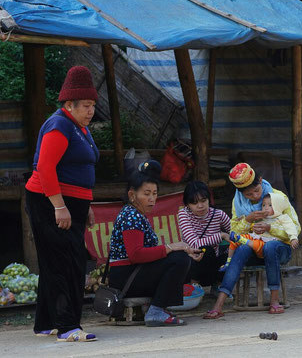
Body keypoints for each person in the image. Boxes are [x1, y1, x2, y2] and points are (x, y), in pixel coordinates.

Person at [25, 66, 100, 342]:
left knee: (56, 261)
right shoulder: (59, 125)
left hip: (71, 202)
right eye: (86, 105)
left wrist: (86, 204)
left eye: (93, 105)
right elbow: (45, 167)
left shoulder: (79, 127)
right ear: (70, 104)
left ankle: (46, 322)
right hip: (48, 202)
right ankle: (68, 325)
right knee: (64, 262)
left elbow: (80, 169)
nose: (91, 111)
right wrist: (59, 206)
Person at [108, 160, 202, 326]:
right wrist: (171, 248)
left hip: (130, 274)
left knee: (183, 258)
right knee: (179, 259)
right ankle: (156, 311)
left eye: (154, 193)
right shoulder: (132, 216)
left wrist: (176, 249)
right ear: (132, 195)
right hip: (126, 278)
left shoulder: (136, 214)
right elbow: (136, 254)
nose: (152, 199)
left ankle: (157, 308)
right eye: (146, 194)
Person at [204, 163, 301, 318]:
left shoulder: (278, 197)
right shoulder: (238, 203)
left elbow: (295, 228)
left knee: (271, 247)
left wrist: (270, 229)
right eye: (248, 195)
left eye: (256, 190)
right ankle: (219, 305)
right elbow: (234, 233)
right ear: (240, 193)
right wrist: (247, 220)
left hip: (280, 249)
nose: (255, 196)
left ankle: (275, 301)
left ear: (261, 181)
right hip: (255, 247)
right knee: (241, 249)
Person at [220, 192, 300, 271]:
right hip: (256, 238)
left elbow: (291, 228)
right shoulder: (262, 217)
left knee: (258, 244)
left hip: (266, 244)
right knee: (234, 241)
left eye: (270, 205)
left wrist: (293, 238)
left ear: (277, 207)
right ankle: (228, 261)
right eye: (263, 205)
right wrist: (244, 219)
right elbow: (251, 225)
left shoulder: (282, 218)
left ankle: (243, 240)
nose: (265, 208)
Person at [178, 181, 231, 290]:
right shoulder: (184, 214)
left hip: (214, 265)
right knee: (205, 250)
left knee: (232, 252)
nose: (200, 206)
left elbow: (235, 234)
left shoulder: (218, 214)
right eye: (194, 203)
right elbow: (194, 243)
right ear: (187, 204)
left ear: (209, 199)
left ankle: (219, 285)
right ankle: (194, 287)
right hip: (193, 266)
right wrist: (221, 235)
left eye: (203, 200)